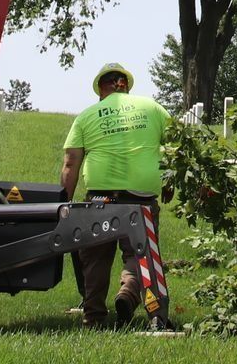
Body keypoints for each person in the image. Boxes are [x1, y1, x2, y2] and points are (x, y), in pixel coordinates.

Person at [62, 62, 171, 328]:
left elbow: (70, 162)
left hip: (99, 200)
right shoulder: (153, 109)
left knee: (96, 258)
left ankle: (94, 316)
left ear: (101, 88)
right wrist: (169, 182)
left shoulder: (87, 116)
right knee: (139, 255)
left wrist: (62, 202)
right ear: (126, 86)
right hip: (141, 199)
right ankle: (129, 294)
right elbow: (176, 147)